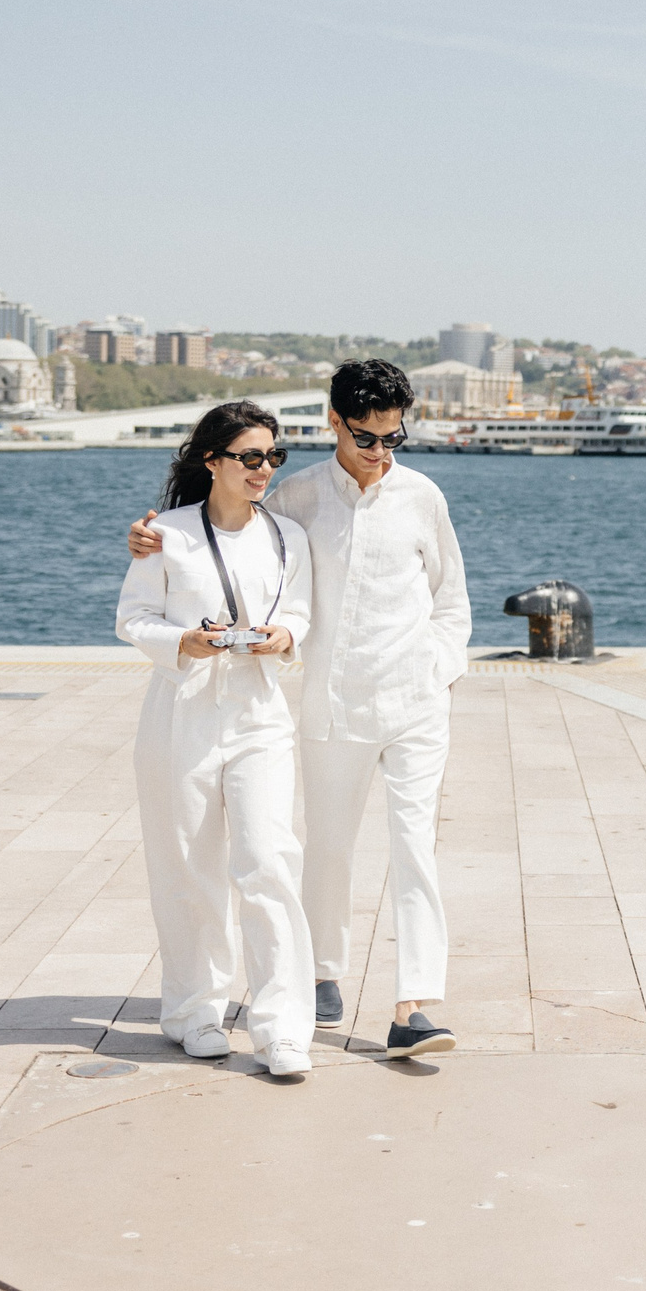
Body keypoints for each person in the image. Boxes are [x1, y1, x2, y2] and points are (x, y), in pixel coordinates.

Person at [129, 360, 471, 1058]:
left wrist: (440, 670)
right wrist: (155, 541)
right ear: (335, 423)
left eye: (394, 438)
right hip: (327, 706)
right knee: (326, 848)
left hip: (414, 703)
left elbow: (450, 597)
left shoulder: (423, 497)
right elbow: (237, 540)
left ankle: (414, 1005)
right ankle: (320, 974)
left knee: (415, 848)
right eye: (368, 438)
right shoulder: (297, 499)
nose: (382, 453)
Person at [116, 400, 316, 1078]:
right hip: (184, 714)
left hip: (259, 712)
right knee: (188, 867)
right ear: (212, 460)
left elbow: (299, 609)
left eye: (273, 456)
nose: (265, 468)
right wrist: (184, 642)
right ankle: (195, 1011)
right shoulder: (165, 534)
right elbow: (132, 616)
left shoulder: (287, 535)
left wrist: (286, 635)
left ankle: (283, 1026)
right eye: (250, 456)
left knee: (268, 863)